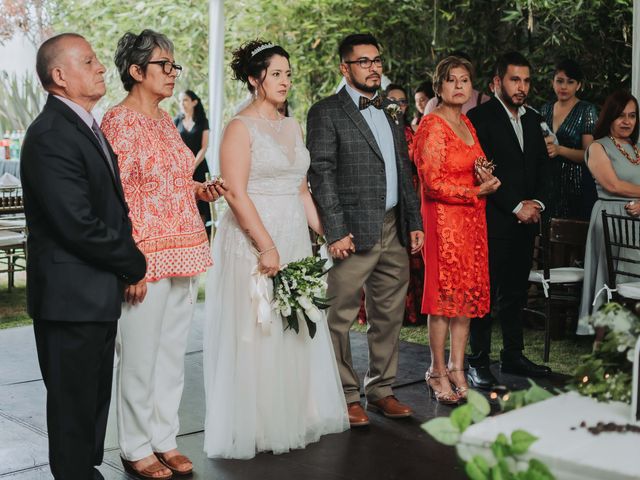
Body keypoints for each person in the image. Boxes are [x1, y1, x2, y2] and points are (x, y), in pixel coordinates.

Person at [203, 40, 349, 459]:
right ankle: (259, 423)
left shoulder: (293, 125)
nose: (285, 80)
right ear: (254, 78)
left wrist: (330, 231)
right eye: (276, 73)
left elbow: (301, 189)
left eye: (288, 72)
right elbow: (234, 194)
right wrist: (266, 246)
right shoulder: (238, 127)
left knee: (296, 327)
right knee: (257, 329)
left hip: (293, 235)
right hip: (253, 239)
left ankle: (295, 414)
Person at [20, 33, 146, 480]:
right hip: (69, 297)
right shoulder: (51, 134)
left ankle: (84, 472)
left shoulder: (84, 126)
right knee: (72, 406)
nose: (99, 67)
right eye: (89, 61)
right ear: (59, 76)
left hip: (93, 294)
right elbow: (77, 223)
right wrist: (133, 261)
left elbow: (112, 205)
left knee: (91, 401)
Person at [101, 30, 223, 478]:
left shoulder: (165, 122)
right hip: (144, 259)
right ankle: (135, 446)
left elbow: (170, 182)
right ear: (136, 72)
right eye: (164, 66)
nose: (173, 74)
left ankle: (164, 438)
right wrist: (127, 263)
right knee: (139, 356)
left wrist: (200, 188)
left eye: (174, 66)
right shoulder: (116, 122)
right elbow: (116, 198)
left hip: (185, 248)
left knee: (173, 354)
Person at [307, 33, 424, 427]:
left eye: (377, 60)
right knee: (338, 316)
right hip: (352, 232)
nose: (374, 67)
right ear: (345, 67)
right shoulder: (326, 111)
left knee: (388, 315)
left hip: (393, 226)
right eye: (364, 61)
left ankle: (381, 390)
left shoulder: (392, 109)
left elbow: (403, 170)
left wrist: (414, 222)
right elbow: (320, 173)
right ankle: (345, 393)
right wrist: (335, 230)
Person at [414, 56, 499, 403]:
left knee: (464, 300)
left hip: (471, 222)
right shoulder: (432, 126)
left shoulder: (466, 123)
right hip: (443, 222)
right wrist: (476, 191)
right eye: (452, 80)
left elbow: (474, 164)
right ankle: (436, 370)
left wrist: (486, 176)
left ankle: (457, 367)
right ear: (439, 87)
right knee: (444, 302)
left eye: (465, 80)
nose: (460, 86)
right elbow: (432, 183)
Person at [466, 51, 552, 388]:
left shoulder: (532, 119)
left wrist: (538, 203)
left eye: (527, 80)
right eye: (515, 80)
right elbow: (478, 173)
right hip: (493, 219)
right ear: (497, 81)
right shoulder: (480, 117)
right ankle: (478, 362)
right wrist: (516, 205)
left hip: (527, 220)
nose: (522, 87)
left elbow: (545, 168)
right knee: (486, 295)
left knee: (516, 292)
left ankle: (513, 356)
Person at [579, 90, 640, 332]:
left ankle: (631, 339)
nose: (627, 121)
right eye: (620, 116)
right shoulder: (597, 147)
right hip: (610, 218)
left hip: (636, 222)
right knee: (610, 282)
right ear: (610, 117)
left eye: (632, 116)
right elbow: (612, 185)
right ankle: (603, 342)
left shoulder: (636, 149)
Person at [385, 82, 426, 324]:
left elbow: (420, 170)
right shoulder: (377, 129)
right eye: (393, 100)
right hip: (389, 195)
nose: (397, 106)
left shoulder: (412, 133)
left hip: (409, 193)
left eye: (401, 101)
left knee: (410, 256)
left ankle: (412, 311)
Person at [540, 59, 598, 220]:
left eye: (570, 82)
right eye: (559, 81)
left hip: (577, 185)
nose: (564, 87)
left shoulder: (586, 110)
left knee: (572, 238)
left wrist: (559, 150)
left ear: (578, 85)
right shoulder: (545, 109)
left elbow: (590, 155)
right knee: (547, 236)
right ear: (553, 83)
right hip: (549, 182)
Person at [174, 89, 212, 234]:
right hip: (181, 169)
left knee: (201, 206)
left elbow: (204, 147)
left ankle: (201, 239)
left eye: (185, 100)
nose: (182, 103)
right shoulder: (176, 121)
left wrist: (193, 165)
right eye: (180, 100)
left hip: (200, 167)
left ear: (194, 102)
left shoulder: (203, 121)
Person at [424, 51, 490, 115]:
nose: (459, 85)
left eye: (464, 80)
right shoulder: (432, 108)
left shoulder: (464, 120)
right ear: (438, 86)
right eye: (451, 80)